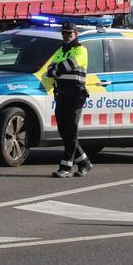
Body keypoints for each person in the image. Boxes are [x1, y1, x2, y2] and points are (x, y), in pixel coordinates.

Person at [46, 22, 92, 178]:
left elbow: (67, 66)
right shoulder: (60, 50)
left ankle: (65, 167)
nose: (66, 36)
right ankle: (84, 162)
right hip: (62, 94)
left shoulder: (81, 50)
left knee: (71, 131)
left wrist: (56, 69)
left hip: (75, 95)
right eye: (64, 33)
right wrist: (55, 69)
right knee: (63, 130)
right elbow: (49, 70)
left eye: (69, 33)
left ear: (75, 34)